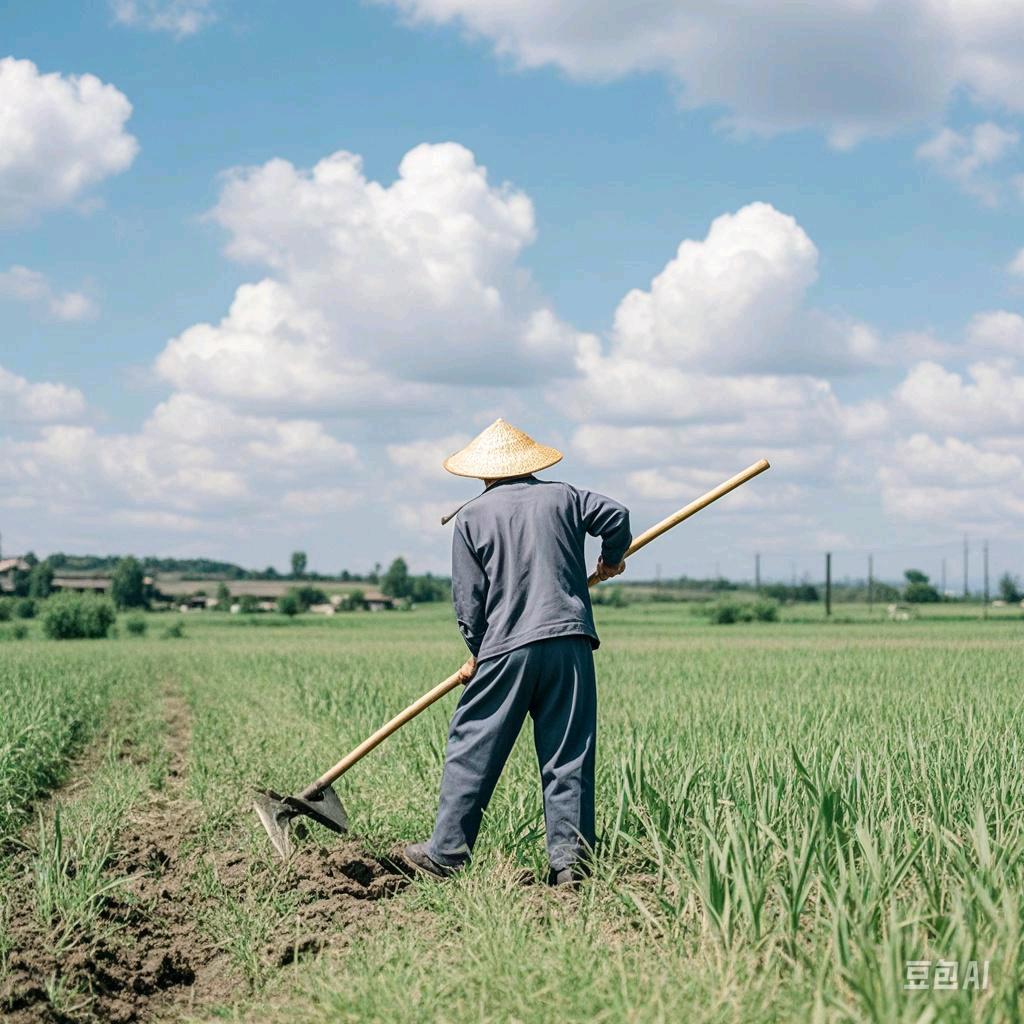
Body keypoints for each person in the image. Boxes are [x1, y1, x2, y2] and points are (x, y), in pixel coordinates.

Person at [403, 418, 631, 886]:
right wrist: (612, 558)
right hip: (569, 643)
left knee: (474, 745)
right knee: (568, 753)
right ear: (529, 465)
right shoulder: (566, 496)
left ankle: (445, 854)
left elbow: (469, 603)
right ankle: (571, 866)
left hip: (508, 649)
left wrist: (478, 651)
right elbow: (617, 516)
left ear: (482, 473)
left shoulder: (471, 517)